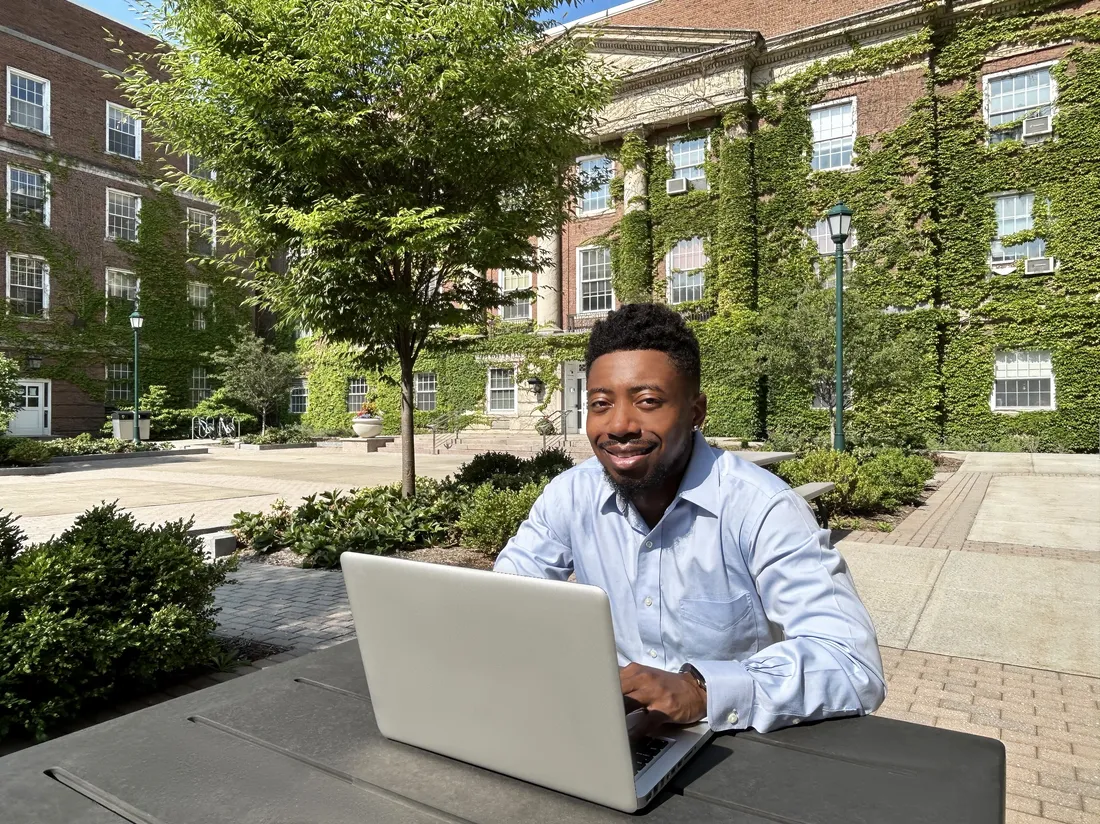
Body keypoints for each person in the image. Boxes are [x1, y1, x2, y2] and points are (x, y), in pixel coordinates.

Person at [494, 303, 886, 733]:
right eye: (600, 404)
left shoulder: (761, 507)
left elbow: (852, 663)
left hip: (732, 739)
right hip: (609, 734)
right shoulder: (571, 494)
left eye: (647, 402)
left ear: (696, 412)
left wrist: (702, 691)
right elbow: (504, 602)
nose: (620, 424)